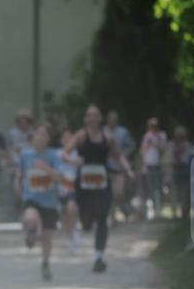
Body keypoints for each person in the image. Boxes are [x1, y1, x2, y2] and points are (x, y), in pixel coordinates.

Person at [65, 105, 134, 273]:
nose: (93, 118)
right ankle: (84, 223)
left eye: (96, 115)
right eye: (90, 115)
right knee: (88, 222)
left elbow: (119, 156)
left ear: (100, 118)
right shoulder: (81, 136)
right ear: (85, 119)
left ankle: (99, 257)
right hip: (84, 185)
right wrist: (75, 161)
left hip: (102, 183)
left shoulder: (108, 137)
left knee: (102, 217)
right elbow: (64, 153)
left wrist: (128, 170)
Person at [15, 123, 67, 281]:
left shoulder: (54, 155)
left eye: (44, 135)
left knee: (47, 237)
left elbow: (60, 177)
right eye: (38, 134)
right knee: (31, 217)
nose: (40, 137)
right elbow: (19, 174)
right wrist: (17, 186)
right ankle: (31, 231)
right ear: (33, 137)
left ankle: (45, 263)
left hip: (50, 202)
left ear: (48, 139)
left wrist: (46, 168)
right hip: (32, 198)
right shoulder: (26, 155)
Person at [105, 110, 136, 222]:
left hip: (120, 167)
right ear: (107, 119)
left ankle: (124, 208)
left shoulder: (123, 132)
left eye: (115, 119)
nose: (113, 121)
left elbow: (132, 145)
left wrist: (124, 153)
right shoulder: (103, 131)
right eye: (111, 118)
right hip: (107, 166)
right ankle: (112, 217)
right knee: (110, 193)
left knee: (118, 192)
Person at [58, 129, 82, 254]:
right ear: (61, 141)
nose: (67, 140)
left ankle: (72, 233)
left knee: (72, 209)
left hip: (74, 188)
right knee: (65, 216)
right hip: (60, 189)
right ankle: (69, 235)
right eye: (65, 138)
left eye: (70, 138)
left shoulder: (78, 154)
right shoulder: (57, 154)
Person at [140, 117, 167, 220]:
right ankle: (152, 211)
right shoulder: (146, 136)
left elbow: (162, 150)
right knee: (150, 188)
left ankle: (159, 210)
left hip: (159, 165)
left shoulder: (161, 136)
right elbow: (143, 151)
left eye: (155, 126)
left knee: (159, 188)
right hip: (148, 166)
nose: (153, 128)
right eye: (151, 126)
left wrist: (155, 144)